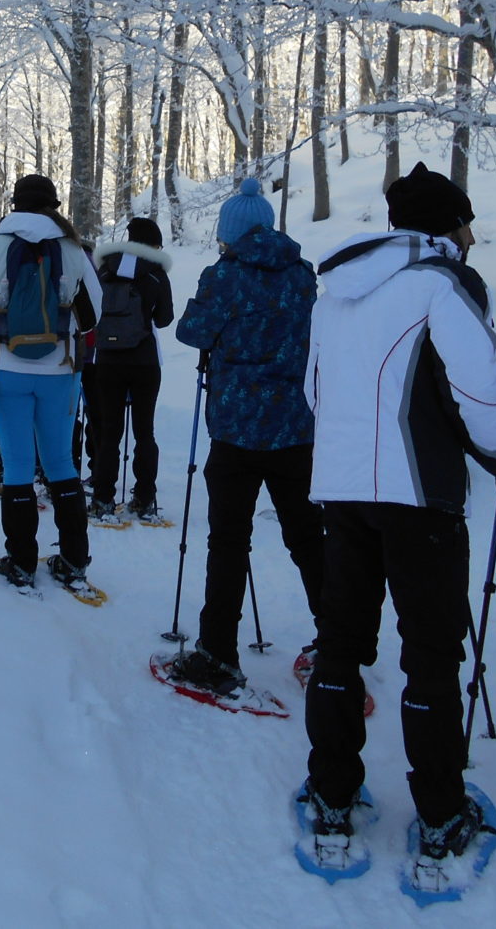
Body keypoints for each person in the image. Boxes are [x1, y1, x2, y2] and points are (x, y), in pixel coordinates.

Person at [301, 162, 496, 867]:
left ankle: (332, 796)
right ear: (445, 225)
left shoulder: (336, 290)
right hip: (421, 494)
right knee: (430, 652)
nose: (471, 236)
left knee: (340, 643)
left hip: (342, 489)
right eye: (466, 222)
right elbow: (479, 388)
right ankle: (438, 812)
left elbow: (313, 391)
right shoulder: (444, 284)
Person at [168, 178, 321, 699]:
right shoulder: (303, 276)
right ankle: (338, 645)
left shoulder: (225, 276)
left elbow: (191, 332)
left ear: (229, 233)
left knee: (229, 541)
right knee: (308, 537)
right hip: (296, 428)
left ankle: (217, 655)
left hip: (235, 430)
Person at [0, 174, 102, 590]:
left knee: (18, 465)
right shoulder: (72, 250)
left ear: (14, 205)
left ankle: (21, 562)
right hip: (60, 372)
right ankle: (73, 560)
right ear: (53, 206)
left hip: (3, 369)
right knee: (60, 463)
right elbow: (92, 317)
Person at [89, 217, 174, 521]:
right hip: (144, 361)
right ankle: (144, 498)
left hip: (108, 360)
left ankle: (102, 499)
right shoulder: (155, 273)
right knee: (144, 432)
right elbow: (164, 318)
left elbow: (89, 311)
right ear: (152, 244)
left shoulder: (103, 270)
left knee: (109, 432)